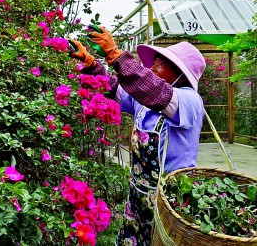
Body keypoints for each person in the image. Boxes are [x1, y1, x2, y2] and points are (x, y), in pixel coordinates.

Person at [68, 25, 206, 246]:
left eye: (160, 65)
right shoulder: (145, 99)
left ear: (181, 75)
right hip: (140, 194)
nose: (151, 68)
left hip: (170, 198)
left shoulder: (189, 100)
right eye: (153, 64)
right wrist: (93, 64)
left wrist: (115, 54)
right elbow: (115, 88)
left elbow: (158, 93)